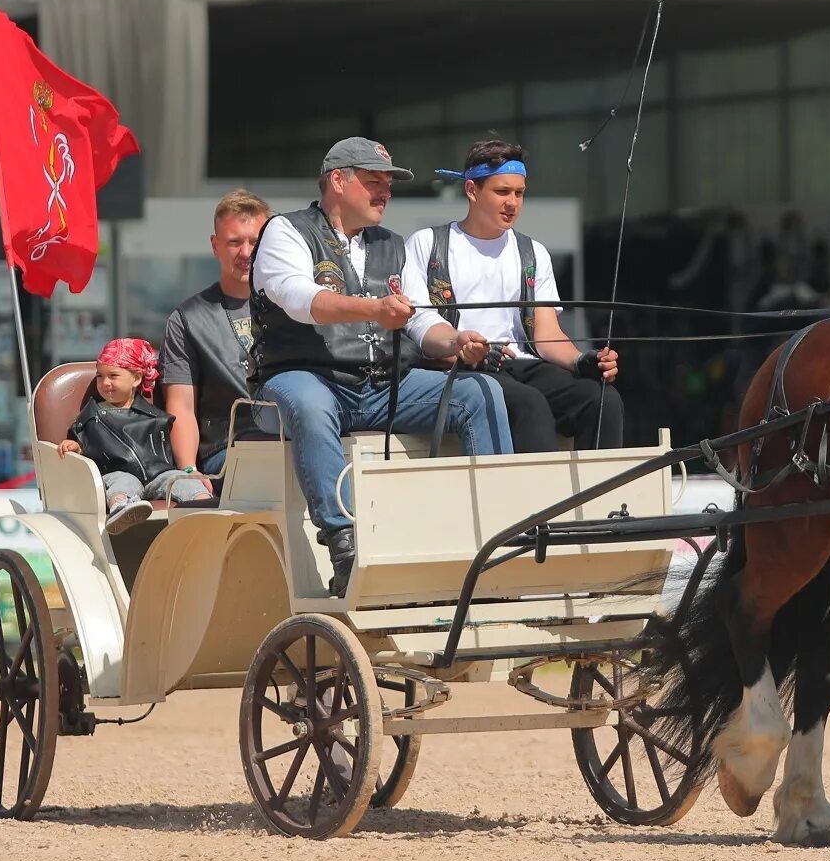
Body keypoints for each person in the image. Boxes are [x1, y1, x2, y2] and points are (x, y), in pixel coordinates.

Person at [252, 137, 513, 597]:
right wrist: (374, 309)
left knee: (479, 391)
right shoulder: (286, 231)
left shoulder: (393, 245)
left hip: (378, 384)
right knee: (312, 407)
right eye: (374, 182)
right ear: (338, 180)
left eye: (388, 185)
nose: (384, 193)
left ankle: (498, 532)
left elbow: (420, 319)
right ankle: (345, 545)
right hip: (303, 377)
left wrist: (456, 340)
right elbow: (299, 299)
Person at [401, 139, 622, 453]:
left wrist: (581, 360)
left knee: (602, 399)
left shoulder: (533, 252)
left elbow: (546, 334)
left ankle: (601, 500)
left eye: (519, 193)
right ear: (471, 190)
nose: (513, 203)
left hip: (518, 364)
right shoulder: (427, 244)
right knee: (528, 405)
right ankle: (544, 502)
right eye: (502, 192)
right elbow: (419, 323)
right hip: (458, 367)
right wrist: (462, 344)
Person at [160, 189, 269, 482]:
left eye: (255, 242)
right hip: (228, 449)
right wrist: (188, 470)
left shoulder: (294, 305)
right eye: (234, 242)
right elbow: (181, 406)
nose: (246, 253)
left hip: (291, 441)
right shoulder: (187, 319)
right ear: (215, 245)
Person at [57, 338, 211, 534]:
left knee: (178, 478)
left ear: (137, 379)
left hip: (158, 475)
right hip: (116, 472)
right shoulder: (91, 417)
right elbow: (86, 444)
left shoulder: (152, 415)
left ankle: (204, 504)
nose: (105, 383)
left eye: (113, 376)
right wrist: (75, 447)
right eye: (99, 376)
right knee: (124, 482)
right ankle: (120, 508)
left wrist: (188, 472)